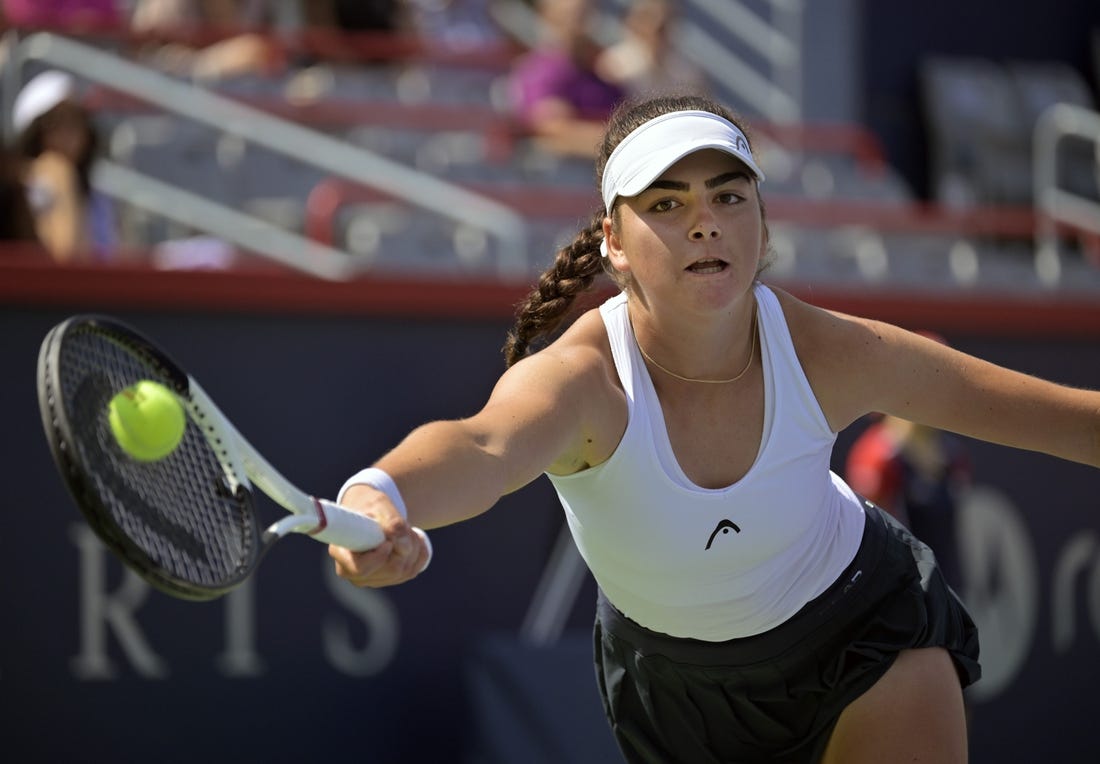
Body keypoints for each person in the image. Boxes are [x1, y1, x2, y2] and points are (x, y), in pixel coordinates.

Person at [327, 93, 1100, 762]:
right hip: (676, 697)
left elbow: (1054, 419)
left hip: (865, 629)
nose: (705, 223)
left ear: (763, 226)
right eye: (666, 204)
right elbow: (481, 445)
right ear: (614, 244)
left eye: (729, 197)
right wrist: (380, 493)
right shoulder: (585, 381)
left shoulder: (827, 352)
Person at [845, 335, 972, 592]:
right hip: (895, 598)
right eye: (931, 382)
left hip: (946, 593)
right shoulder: (877, 456)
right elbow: (870, 543)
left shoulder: (953, 455)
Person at [12, 70, 119, 263]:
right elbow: (67, 256)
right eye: (57, 121)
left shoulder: (97, 195)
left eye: (77, 120)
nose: (70, 133)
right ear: (35, 131)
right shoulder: (18, 188)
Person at [508, 0, 625, 158]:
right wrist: (618, 142)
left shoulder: (602, 70)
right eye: (572, 15)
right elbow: (550, 128)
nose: (581, 24)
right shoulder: (540, 70)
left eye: (586, 14)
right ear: (549, 18)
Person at [595, 0, 708, 97]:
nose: (653, 30)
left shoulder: (689, 73)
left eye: (663, 25)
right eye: (647, 19)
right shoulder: (613, 64)